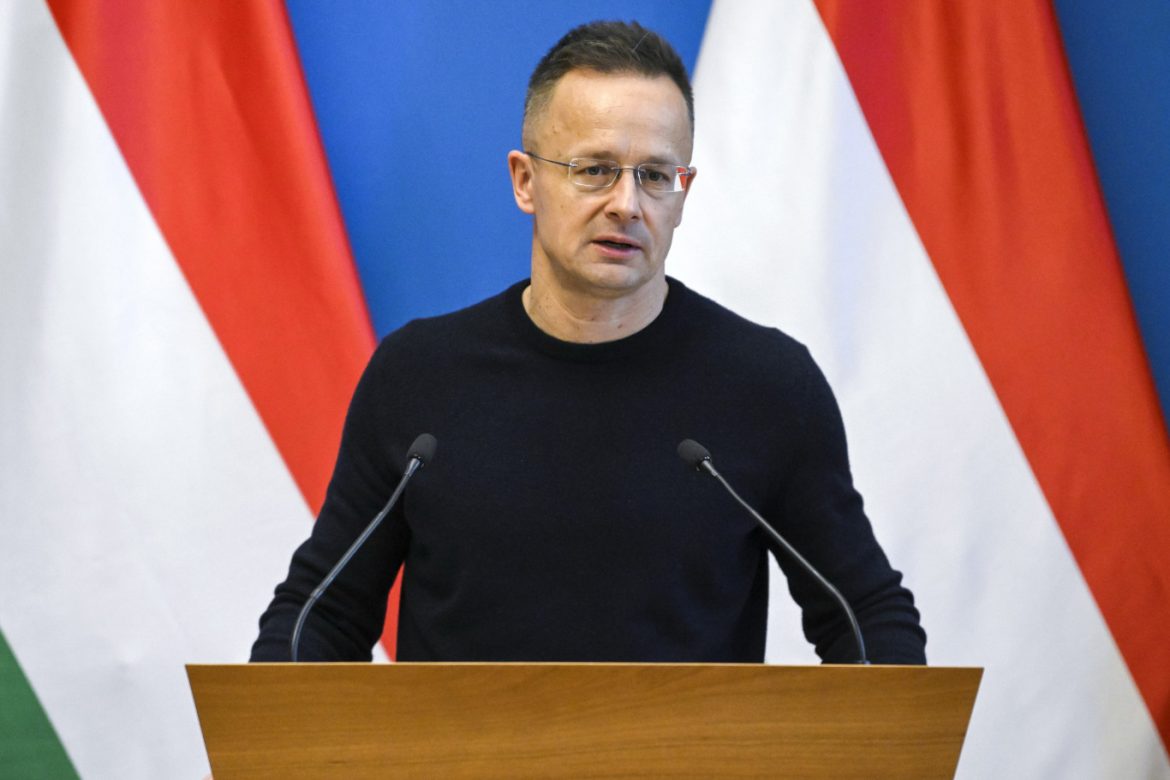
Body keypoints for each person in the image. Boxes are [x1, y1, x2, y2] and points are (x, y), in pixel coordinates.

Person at [251, 20, 926, 665]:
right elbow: (319, 620)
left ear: (683, 194)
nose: (627, 204)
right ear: (525, 181)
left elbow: (866, 619)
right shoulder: (418, 377)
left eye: (655, 175)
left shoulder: (769, 387)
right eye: (595, 169)